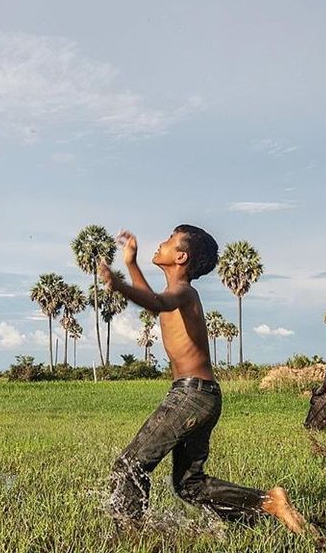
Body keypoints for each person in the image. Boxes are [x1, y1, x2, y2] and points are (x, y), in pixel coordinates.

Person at [98, 224, 314, 535]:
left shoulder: (183, 293)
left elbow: (156, 302)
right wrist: (131, 263)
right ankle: (269, 502)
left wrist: (117, 284)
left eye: (168, 241)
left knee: (129, 466)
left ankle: (135, 536)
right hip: (203, 396)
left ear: (181, 256)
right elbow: (154, 299)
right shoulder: (177, 293)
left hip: (191, 396)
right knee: (190, 486)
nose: (160, 243)